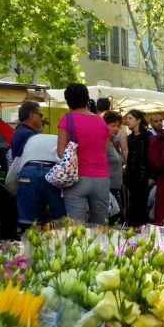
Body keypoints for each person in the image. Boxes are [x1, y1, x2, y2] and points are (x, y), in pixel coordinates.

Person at [57, 83, 112, 224]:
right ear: (87, 98)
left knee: (77, 229)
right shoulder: (101, 122)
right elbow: (104, 151)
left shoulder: (67, 119)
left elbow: (61, 151)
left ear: (68, 101)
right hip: (101, 179)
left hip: (76, 179)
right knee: (100, 227)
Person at [15, 132, 66, 227]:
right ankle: (59, 237)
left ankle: (31, 238)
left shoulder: (31, 139)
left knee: (30, 222)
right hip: (54, 173)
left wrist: (14, 187)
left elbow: (16, 166)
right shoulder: (61, 140)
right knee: (61, 221)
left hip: (28, 173)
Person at [123, 110, 151, 227]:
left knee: (142, 207)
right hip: (132, 179)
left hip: (144, 179)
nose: (127, 121)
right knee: (133, 207)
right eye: (127, 118)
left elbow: (150, 158)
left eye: (130, 118)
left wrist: (150, 176)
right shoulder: (129, 138)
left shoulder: (147, 137)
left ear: (138, 120)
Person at [103, 110, 125, 224]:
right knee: (118, 223)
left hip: (116, 188)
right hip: (109, 190)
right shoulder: (104, 143)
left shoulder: (110, 143)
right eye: (113, 125)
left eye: (118, 126)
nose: (116, 128)